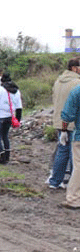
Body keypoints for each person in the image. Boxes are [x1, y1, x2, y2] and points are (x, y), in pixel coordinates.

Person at [47, 58, 80, 189]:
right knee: (75, 154)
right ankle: (73, 184)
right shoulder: (77, 83)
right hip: (74, 123)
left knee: (62, 150)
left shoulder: (58, 81)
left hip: (61, 122)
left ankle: (55, 181)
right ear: (74, 68)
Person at [59, 85, 80, 209]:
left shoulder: (77, 91)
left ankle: (73, 199)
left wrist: (63, 131)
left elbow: (67, 115)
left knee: (78, 168)